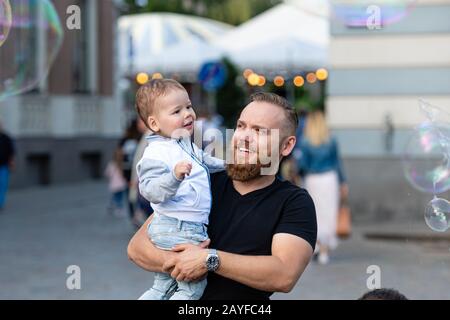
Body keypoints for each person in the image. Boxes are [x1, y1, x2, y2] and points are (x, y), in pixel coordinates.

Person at [127, 92, 317, 300]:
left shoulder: (294, 202)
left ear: (287, 145)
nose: (244, 137)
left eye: (259, 131)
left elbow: (284, 274)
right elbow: (138, 247)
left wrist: (209, 260)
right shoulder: (203, 178)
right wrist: (183, 263)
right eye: (241, 126)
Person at [134, 79, 225, 300]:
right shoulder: (156, 152)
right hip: (179, 226)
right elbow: (150, 190)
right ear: (155, 124)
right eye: (177, 111)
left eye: (188, 106)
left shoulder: (183, 144)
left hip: (180, 224)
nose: (188, 114)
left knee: (162, 287)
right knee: (191, 288)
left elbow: (203, 160)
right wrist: (174, 177)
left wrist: (227, 165)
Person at [297, 111, 348, 265]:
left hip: (313, 179)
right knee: (328, 213)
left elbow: (303, 165)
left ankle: (318, 245)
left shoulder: (305, 142)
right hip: (329, 179)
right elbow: (337, 163)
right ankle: (324, 250)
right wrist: (343, 182)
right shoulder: (331, 140)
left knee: (315, 213)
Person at [119, 120, 142, 219]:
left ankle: (134, 215)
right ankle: (135, 215)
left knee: (131, 193)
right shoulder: (139, 138)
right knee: (133, 193)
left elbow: (119, 155)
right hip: (131, 170)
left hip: (128, 170)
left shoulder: (127, 139)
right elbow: (119, 154)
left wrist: (120, 169)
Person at [104, 147, 128, 216]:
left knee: (116, 197)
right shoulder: (122, 164)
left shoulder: (111, 164)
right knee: (119, 197)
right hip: (122, 185)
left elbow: (107, 173)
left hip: (114, 185)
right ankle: (117, 207)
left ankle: (116, 208)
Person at [0, 120, 15, 211]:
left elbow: (11, 152)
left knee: (2, 185)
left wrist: (12, 163)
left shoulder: (6, 138)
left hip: (4, 166)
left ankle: (0, 204)